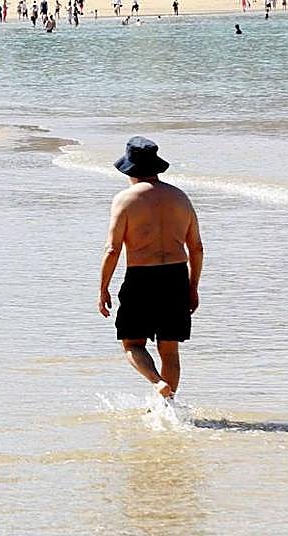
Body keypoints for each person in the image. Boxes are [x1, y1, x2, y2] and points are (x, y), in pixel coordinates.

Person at [99, 137, 203, 400]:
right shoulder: (180, 197)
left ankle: (157, 383)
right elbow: (197, 248)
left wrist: (103, 289)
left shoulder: (124, 200)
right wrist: (193, 287)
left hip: (141, 278)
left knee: (133, 343)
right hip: (176, 276)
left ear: (130, 169)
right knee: (170, 350)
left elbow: (113, 249)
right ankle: (168, 405)